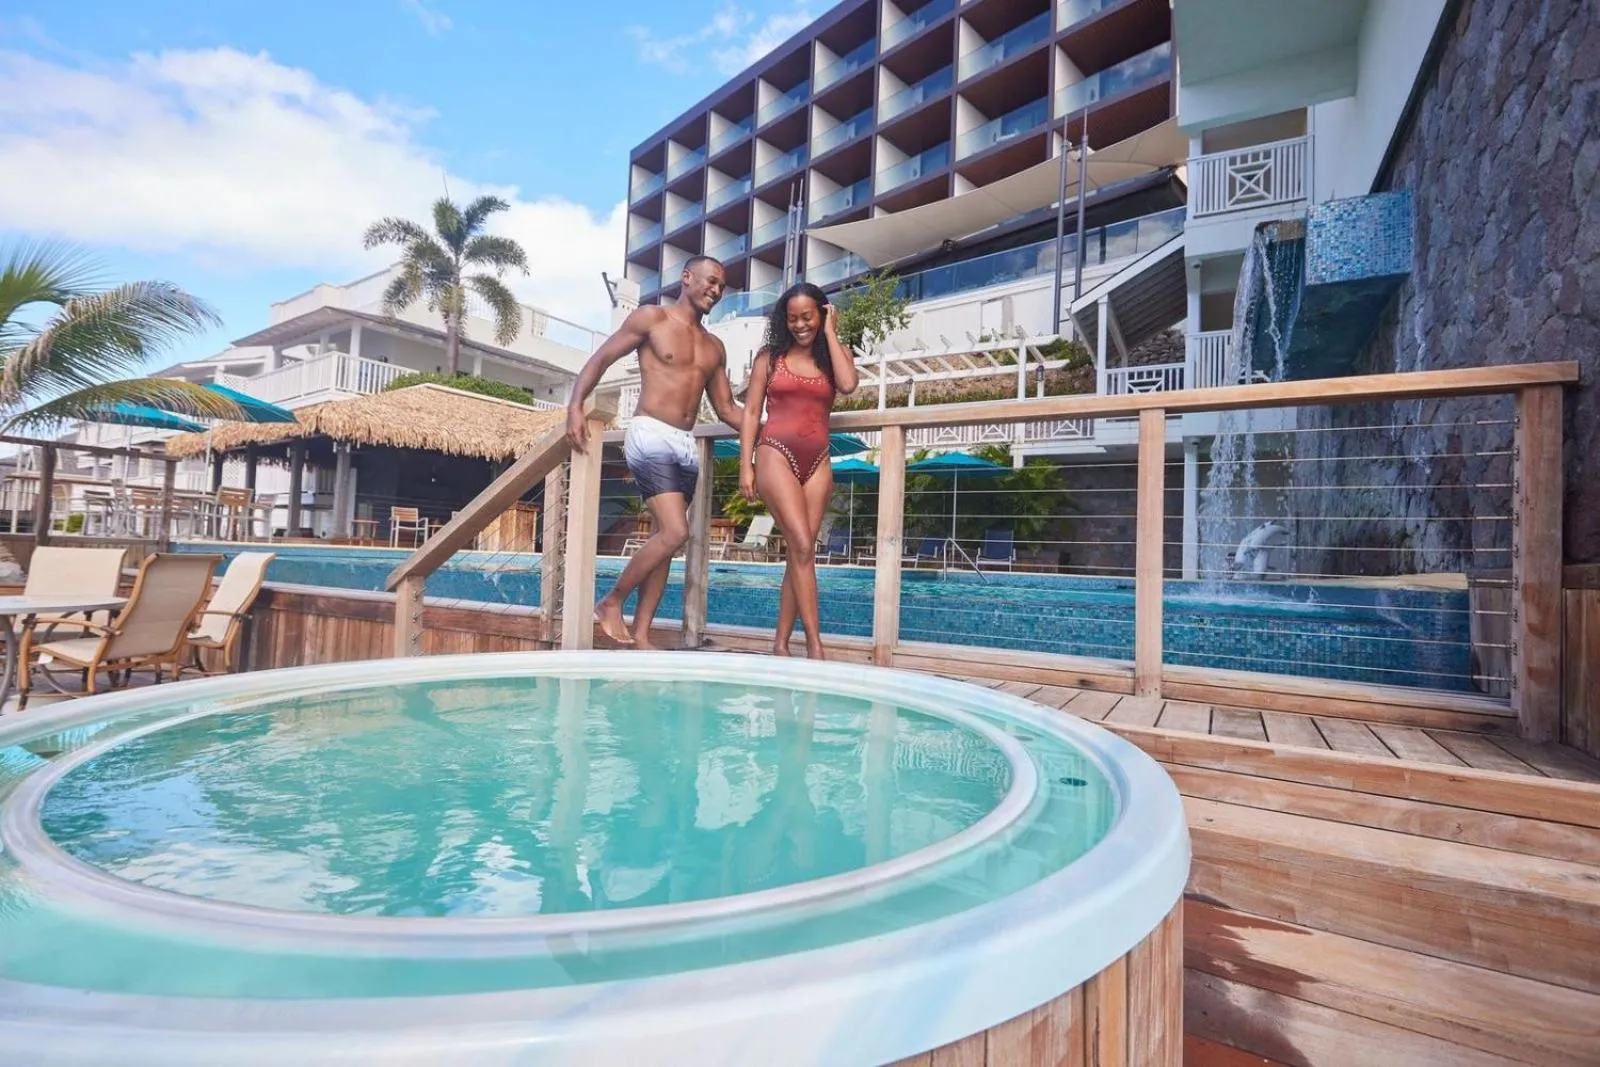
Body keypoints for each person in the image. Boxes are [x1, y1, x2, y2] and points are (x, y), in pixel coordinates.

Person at [566, 256, 743, 648]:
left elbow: (728, 408)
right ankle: (611, 601)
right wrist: (576, 405)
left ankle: (643, 634)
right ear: (687, 278)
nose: (715, 290)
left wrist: (771, 430)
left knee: (668, 538)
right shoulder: (652, 319)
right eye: (710, 281)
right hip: (649, 433)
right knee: (677, 531)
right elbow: (601, 359)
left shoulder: (714, 347)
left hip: (685, 443)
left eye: (721, 287)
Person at [738, 283, 859, 659]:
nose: (800, 325)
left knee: (800, 551)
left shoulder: (832, 356)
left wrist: (831, 332)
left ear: (821, 313)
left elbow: (849, 384)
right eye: (792, 318)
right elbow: (751, 412)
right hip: (775, 452)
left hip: (818, 460)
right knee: (804, 546)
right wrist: (746, 465)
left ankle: (780, 644)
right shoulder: (769, 358)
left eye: (807, 317)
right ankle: (815, 645)